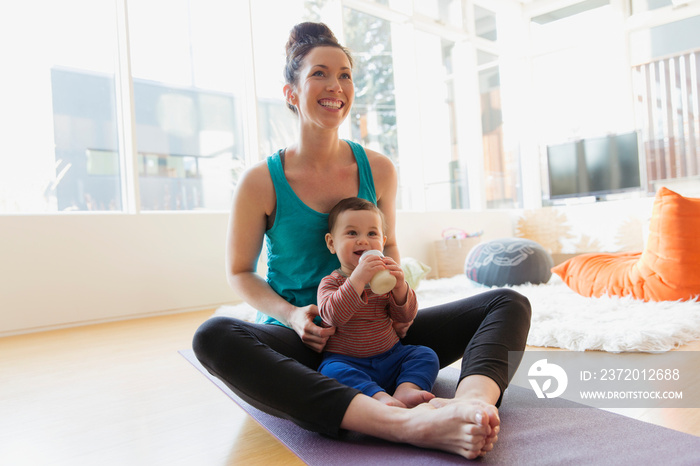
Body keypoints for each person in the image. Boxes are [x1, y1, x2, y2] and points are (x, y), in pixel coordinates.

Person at [192, 21, 531, 460]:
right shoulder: (260, 181)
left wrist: (402, 298)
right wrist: (294, 316)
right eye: (319, 73)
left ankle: (471, 409)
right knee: (214, 337)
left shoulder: (379, 169)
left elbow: (388, 247)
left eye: (345, 74)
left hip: (377, 332)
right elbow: (239, 272)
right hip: (305, 344)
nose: (335, 85)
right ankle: (402, 424)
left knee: (508, 303)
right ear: (291, 93)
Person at [318, 197, 439, 408]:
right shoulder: (331, 282)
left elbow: (406, 316)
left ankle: (406, 390)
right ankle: (379, 398)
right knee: (330, 372)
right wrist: (357, 279)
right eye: (352, 233)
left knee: (425, 355)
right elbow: (333, 316)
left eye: (372, 234)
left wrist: (401, 286)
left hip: (392, 356)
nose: (363, 241)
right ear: (331, 243)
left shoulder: (386, 280)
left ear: (382, 242)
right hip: (348, 361)